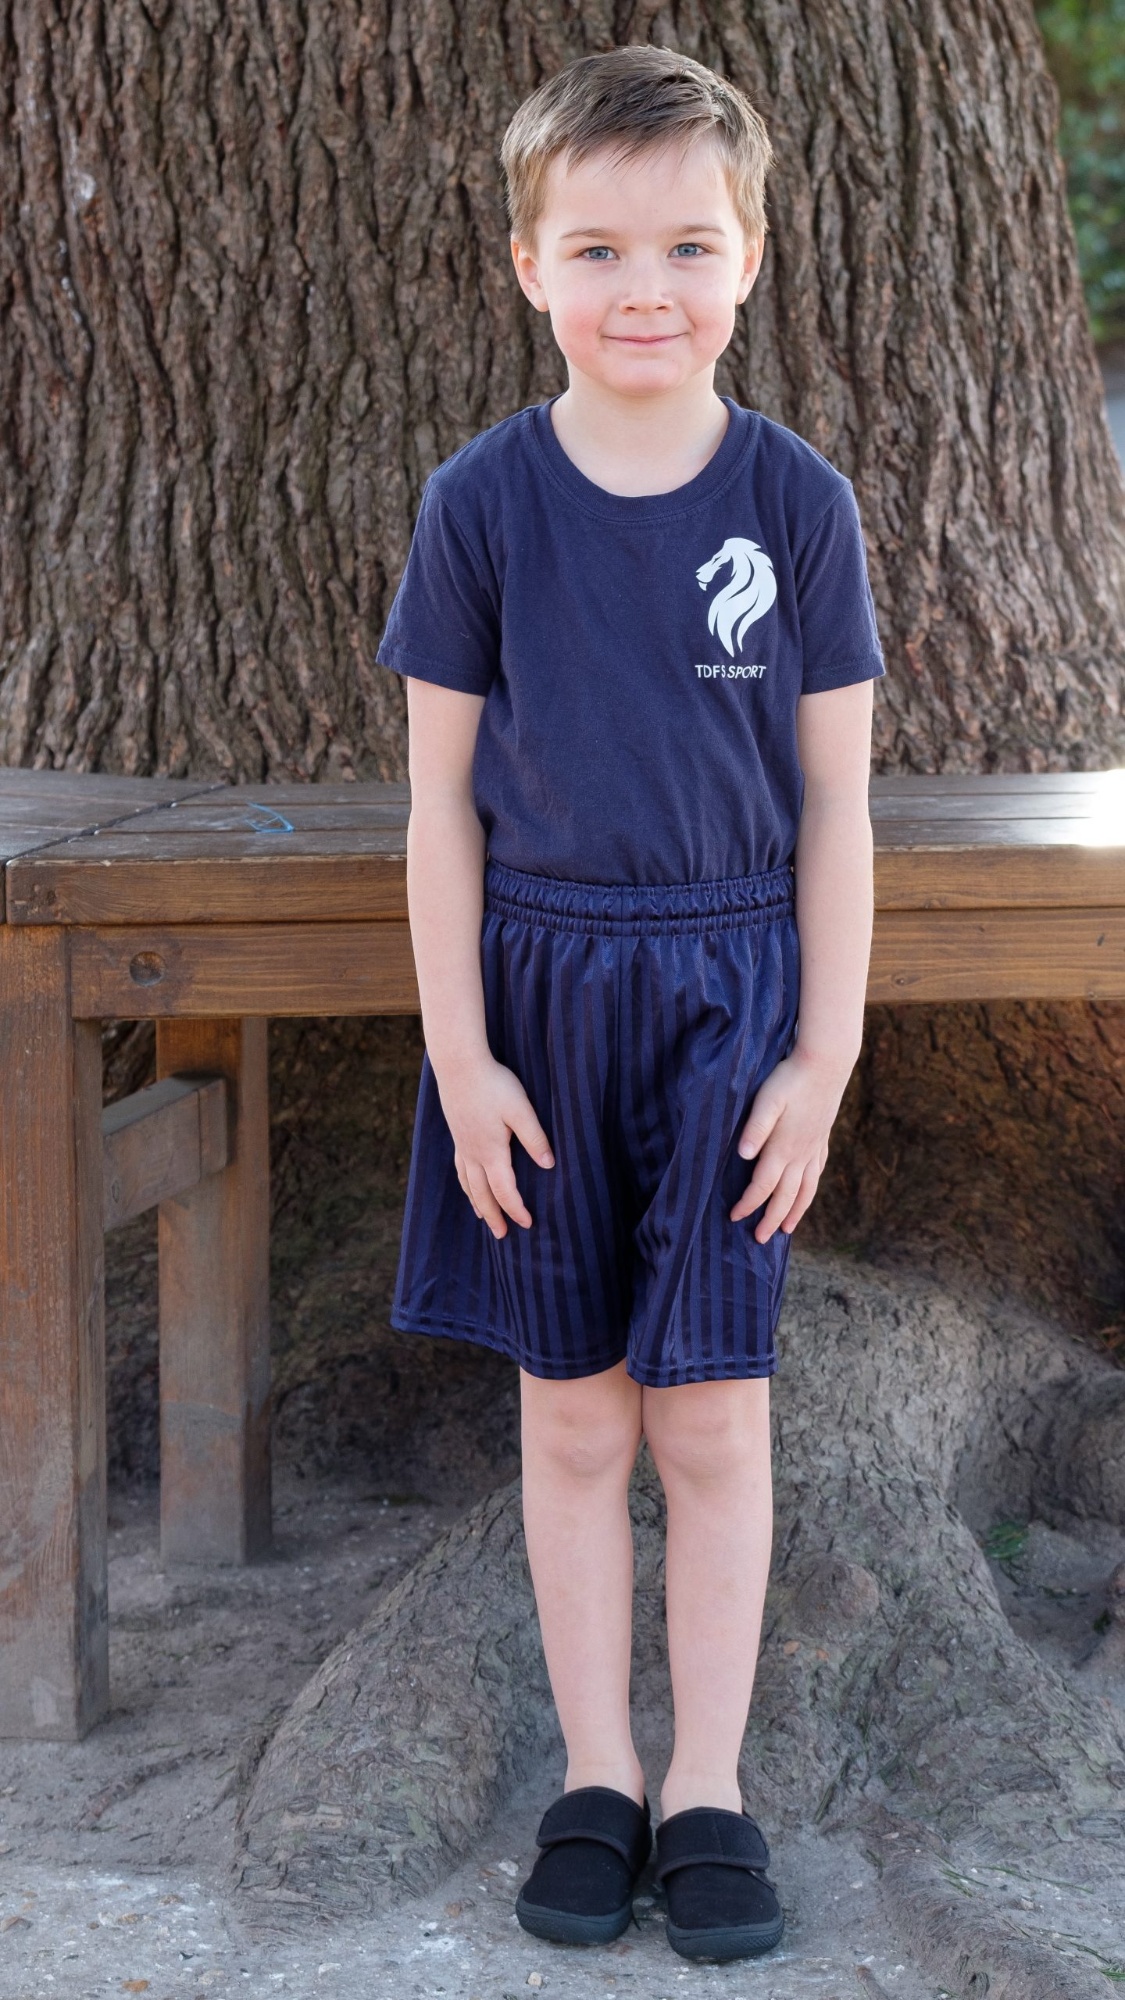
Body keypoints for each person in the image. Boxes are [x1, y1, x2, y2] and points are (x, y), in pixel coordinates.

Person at [376, 43, 883, 1966]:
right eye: (596, 248)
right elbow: (436, 804)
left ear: (747, 257)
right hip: (536, 1006)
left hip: (733, 1003)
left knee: (713, 1423)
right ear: (528, 267)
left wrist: (822, 1057)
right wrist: (462, 1061)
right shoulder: (485, 500)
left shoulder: (797, 500)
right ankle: (596, 1775)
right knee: (575, 1423)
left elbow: (834, 803)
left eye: (686, 241)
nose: (643, 285)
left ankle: (710, 1789)